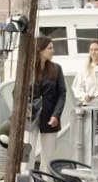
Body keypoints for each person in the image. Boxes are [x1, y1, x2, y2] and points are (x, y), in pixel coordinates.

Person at [26, 35, 68, 168]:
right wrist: (25, 109)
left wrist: (56, 114)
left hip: (50, 117)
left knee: (48, 157)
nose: (53, 51)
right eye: (50, 48)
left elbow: (62, 94)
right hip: (30, 116)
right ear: (40, 50)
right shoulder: (27, 69)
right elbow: (17, 92)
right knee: (28, 155)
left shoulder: (57, 68)